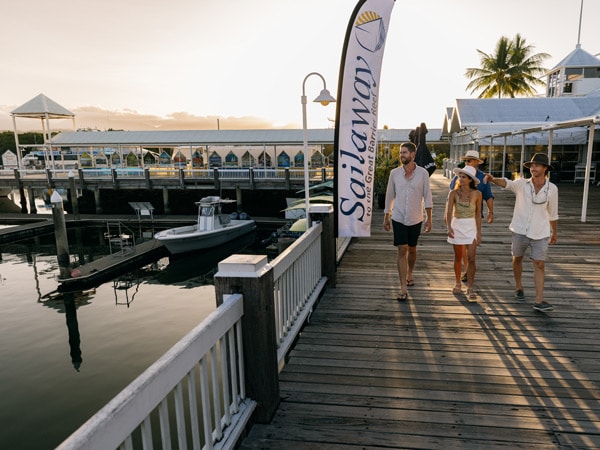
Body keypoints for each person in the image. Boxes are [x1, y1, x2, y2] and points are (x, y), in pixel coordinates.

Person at [484, 153, 558, 312]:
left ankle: (539, 300)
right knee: (517, 258)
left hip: (540, 232)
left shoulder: (552, 189)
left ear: (545, 169)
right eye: (531, 165)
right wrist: (492, 179)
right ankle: (518, 286)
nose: (533, 168)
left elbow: (553, 213)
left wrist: (554, 232)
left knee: (539, 263)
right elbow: (507, 183)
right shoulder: (522, 184)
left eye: (537, 165)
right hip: (520, 229)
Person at [383, 142, 433, 301]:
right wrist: (387, 215)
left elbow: (428, 196)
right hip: (398, 217)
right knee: (402, 250)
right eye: (400, 153)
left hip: (415, 217)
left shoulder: (423, 174)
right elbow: (389, 195)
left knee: (412, 249)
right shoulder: (394, 173)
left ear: (412, 154)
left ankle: (410, 273)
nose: (401, 155)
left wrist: (429, 219)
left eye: (404, 152)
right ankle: (403, 287)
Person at [449, 150, 495, 282]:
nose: (467, 162)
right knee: (461, 245)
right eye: (466, 160)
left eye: (470, 160)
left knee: (471, 245)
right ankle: (466, 270)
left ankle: (469, 268)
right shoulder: (458, 177)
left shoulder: (482, 177)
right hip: (459, 217)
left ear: (476, 162)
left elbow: (488, 195)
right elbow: (452, 195)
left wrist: (490, 212)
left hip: (475, 217)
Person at [446, 165, 482, 299]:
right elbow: (448, 211)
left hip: (471, 226)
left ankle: (471, 287)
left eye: (463, 177)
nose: (460, 179)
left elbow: (478, 214)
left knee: (472, 258)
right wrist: (449, 227)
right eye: (459, 177)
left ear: (470, 180)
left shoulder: (477, 194)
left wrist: (479, 233)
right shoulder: (453, 193)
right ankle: (457, 283)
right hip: (457, 225)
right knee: (458, 257)